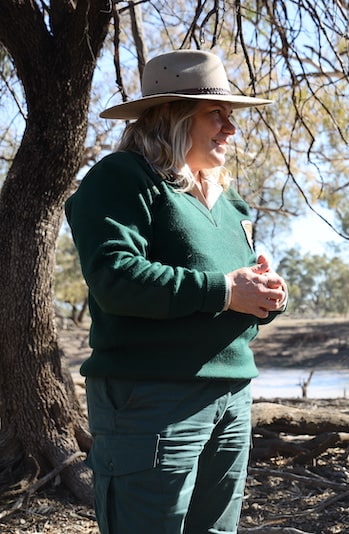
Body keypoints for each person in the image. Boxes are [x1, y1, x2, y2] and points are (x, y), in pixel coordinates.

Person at [65, 49, 288, 534]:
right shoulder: (121, 177)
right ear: (173, 116)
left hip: (232, 397)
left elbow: (233, 293)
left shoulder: (230, 200)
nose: (231, 129)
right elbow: (115, 279)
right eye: (217, 115)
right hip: (152, 399)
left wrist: (266, 295)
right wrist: (224, 290)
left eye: (231, 116)